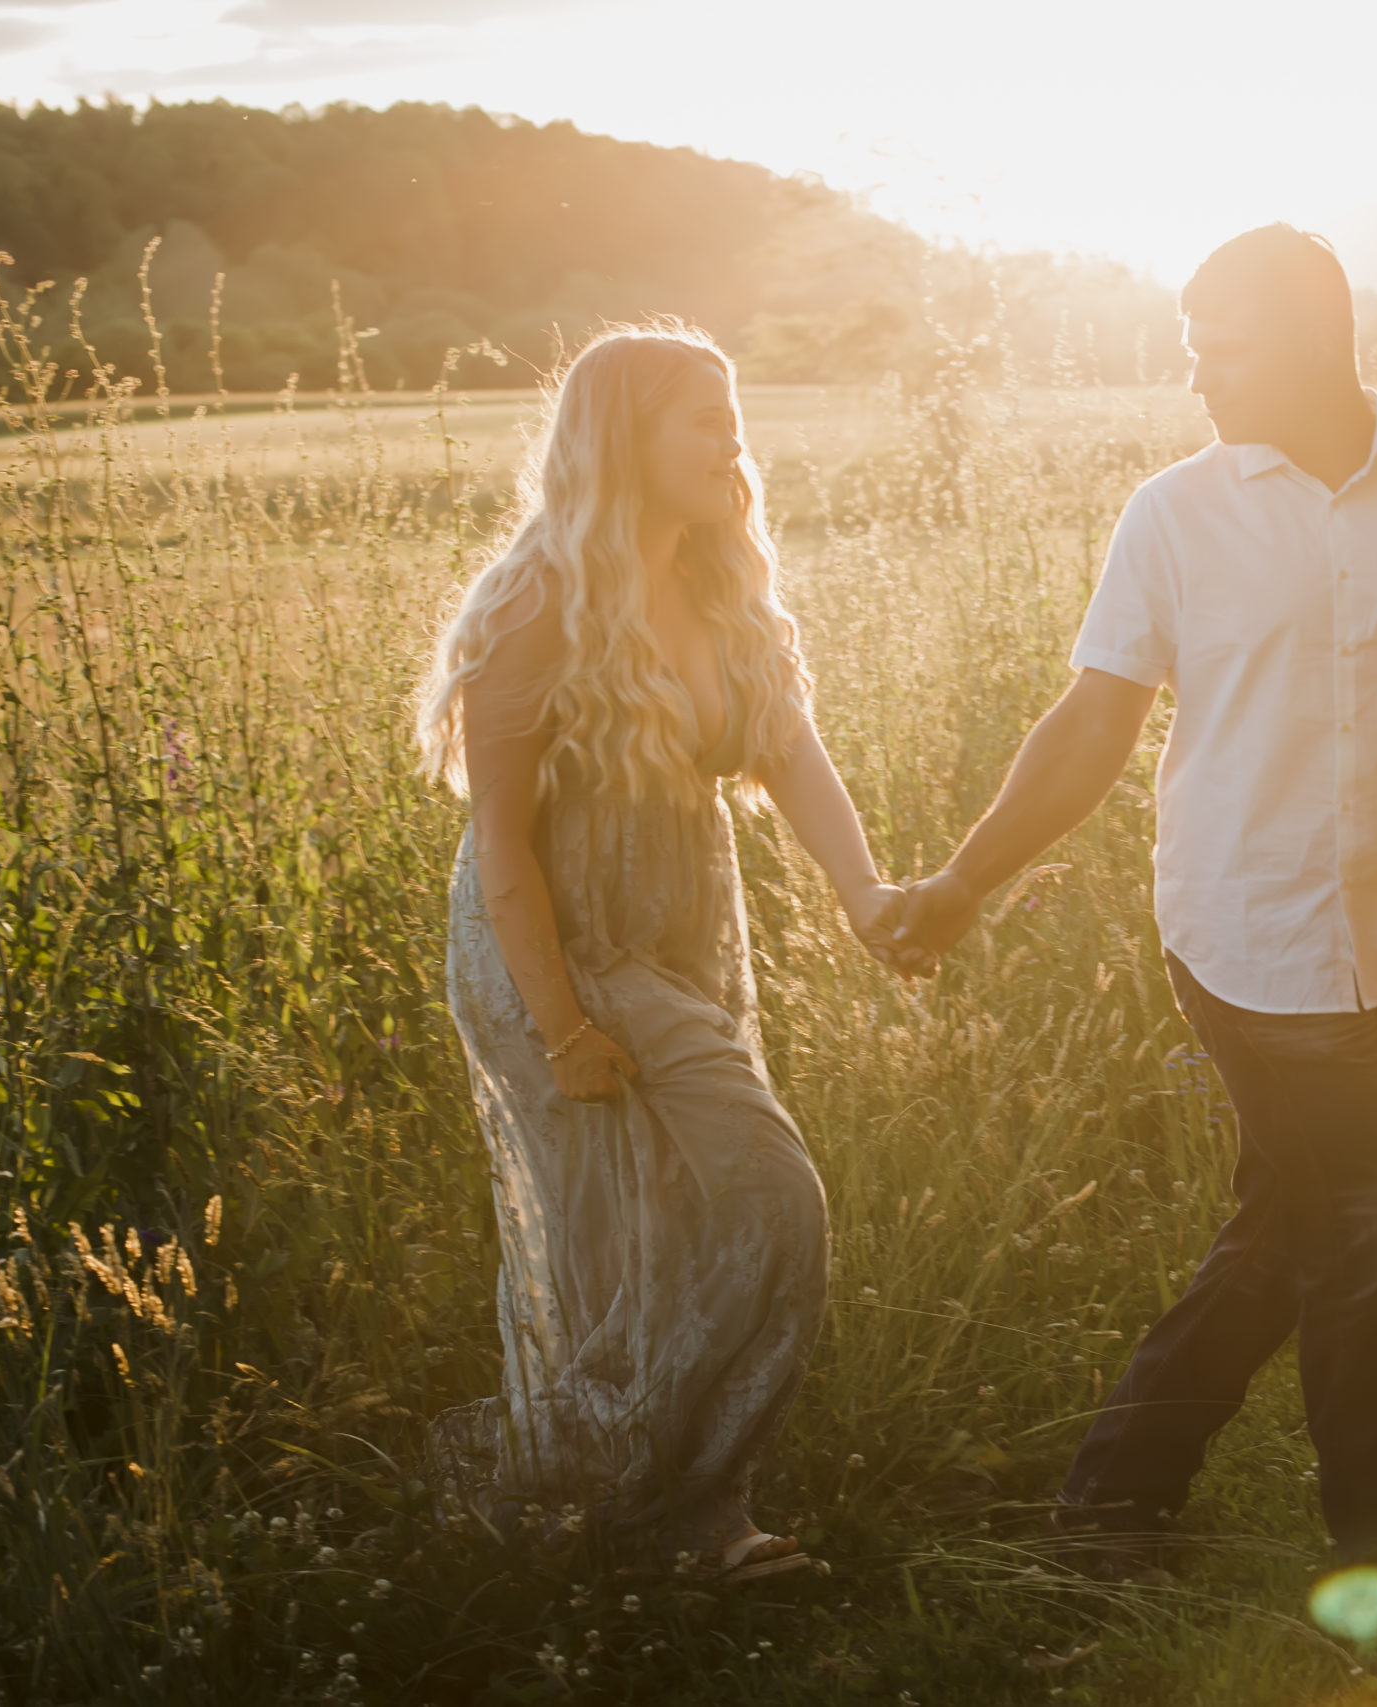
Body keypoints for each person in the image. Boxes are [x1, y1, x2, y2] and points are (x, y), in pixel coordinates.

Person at [891, 226, 1377, 1598]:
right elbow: (1093, 722)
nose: (1196, 375)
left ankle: (1109, 1505)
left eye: (1224, 347)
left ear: (1319, 339)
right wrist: (966, 878)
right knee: (1366, 1234)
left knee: (1286, 1234)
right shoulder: (1175, 514)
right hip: (1245, 938)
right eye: (1190, 346)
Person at [415, 322, 906, 1584]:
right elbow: (506, 848)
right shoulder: (533, 608)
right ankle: (623, 1492)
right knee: (753, 1201)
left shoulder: (713, 582)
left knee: (681, 1224)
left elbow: (789, 751)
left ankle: (654, 1508)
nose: (731, 440)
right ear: (624, 439)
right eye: (704, 417)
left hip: (676, 938)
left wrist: (869, 898)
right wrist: (565, 1026)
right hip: (557, 951)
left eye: (733, 415)